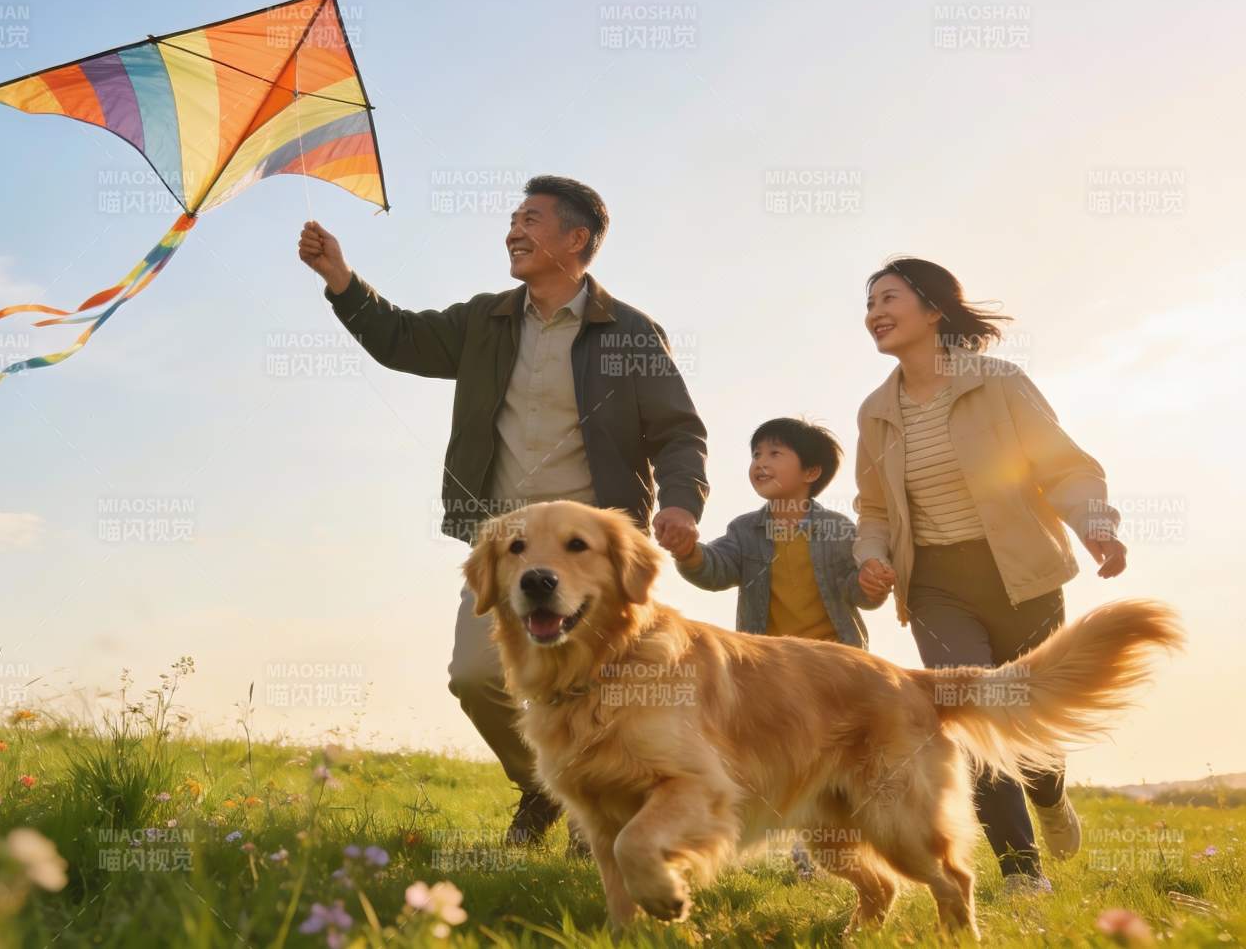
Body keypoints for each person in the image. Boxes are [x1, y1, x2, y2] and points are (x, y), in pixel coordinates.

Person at [298, 175, 708, 851]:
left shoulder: (629, 332)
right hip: (508, 548)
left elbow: (677, 430)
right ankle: (549, 789)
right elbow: (401, 338)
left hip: (592, 554)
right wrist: (341, 277)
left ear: (576, 240)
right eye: (514, 218)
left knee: (606, 688)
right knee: (477, 675)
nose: (514, 230)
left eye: (532, 219)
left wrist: (686, 502)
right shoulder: (484, 321)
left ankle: (603, 810)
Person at [852, 257, 1128, 894]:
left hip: (1021, 572)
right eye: (869, 306)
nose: (875, 314)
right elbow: (871, 508)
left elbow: (1063, 467)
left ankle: (1051, 795)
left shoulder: (999, 383)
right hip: (936, 586)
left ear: (934, 309)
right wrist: (873, 556)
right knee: (973, 718)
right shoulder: (874, 412)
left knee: (1030, 715)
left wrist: (1095, 524)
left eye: (888, 298)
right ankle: (1022, 874)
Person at [672, 417, 882, 649]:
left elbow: (855, 590)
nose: (760, 463)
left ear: (811, 472)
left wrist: (870, 585)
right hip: (770, 663)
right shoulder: (744, 530)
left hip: (835, 659)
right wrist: (688, 552)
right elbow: (717, 569)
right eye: (756, 455)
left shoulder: (837, 529)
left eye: (774, 454)